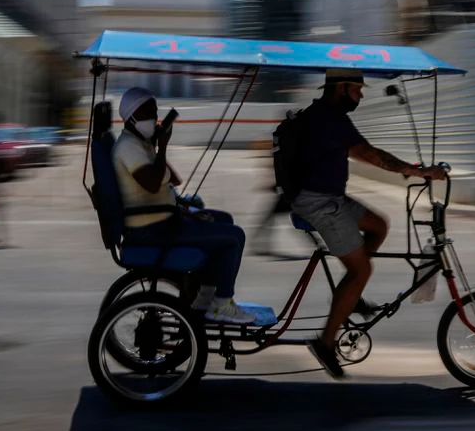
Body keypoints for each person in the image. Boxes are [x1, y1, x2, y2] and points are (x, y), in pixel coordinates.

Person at [292, 69, 447, 378]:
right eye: (358, 90)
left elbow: (363, 154)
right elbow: (371, 155)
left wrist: (410, 170)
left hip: (330, 196)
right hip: (319, 202)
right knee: (362, 269)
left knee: (379, 225)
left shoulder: (327, 115)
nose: (361, 96)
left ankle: (352, 292)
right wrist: (419, 172)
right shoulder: (329, 118)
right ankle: (325, 342)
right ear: (342, 88)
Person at [113, 87, 257, 325]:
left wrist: (182, 208)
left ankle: (204, 299)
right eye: (149, 114)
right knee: (234, 237)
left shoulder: (141, 144)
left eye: (156, 113)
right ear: (132, 115)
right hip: (153, 228)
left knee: (223, 219)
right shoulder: (129, 147)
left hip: (163, 219)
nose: (154, 119)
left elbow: (173, 180)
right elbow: (151, 184)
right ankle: (223, 303)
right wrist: (163, 147)